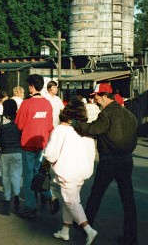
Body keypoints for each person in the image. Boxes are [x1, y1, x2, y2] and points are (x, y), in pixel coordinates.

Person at [71, 83, 138, 245]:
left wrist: (74, 123)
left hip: (109, 160)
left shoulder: (106, 114)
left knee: (96, 194)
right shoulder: (128, 114)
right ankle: (131, 236)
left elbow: (93, 129)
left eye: (96, 97)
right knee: (128, 199)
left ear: (105, 96)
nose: (94, 100)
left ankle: (86, 226)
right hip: (126, 159)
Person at [45, 98, 98, 244]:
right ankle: (65, 230)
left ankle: (89, 230)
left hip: (67, 170)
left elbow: (50, 154)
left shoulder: (61, 130)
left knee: (70, 201)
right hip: (82, 170)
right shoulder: (85, 130)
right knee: (72, 200)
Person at [15, 74, 58, 219]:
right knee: (38, 174)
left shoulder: (26, 104)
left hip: (28, 145)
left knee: (28, 177)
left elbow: (19, 125)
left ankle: (30, 207)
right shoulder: (47, 104)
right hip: (41, 144)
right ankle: (49, 196)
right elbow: (49, 126)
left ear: (32, 86)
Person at [0, 99, 22, 207]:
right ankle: (17, 194)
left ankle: (7, 196)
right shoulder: (19, 120)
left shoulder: (0, 120)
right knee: (16, 174)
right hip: (18, 151)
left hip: (4, 151)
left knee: (5, 175)